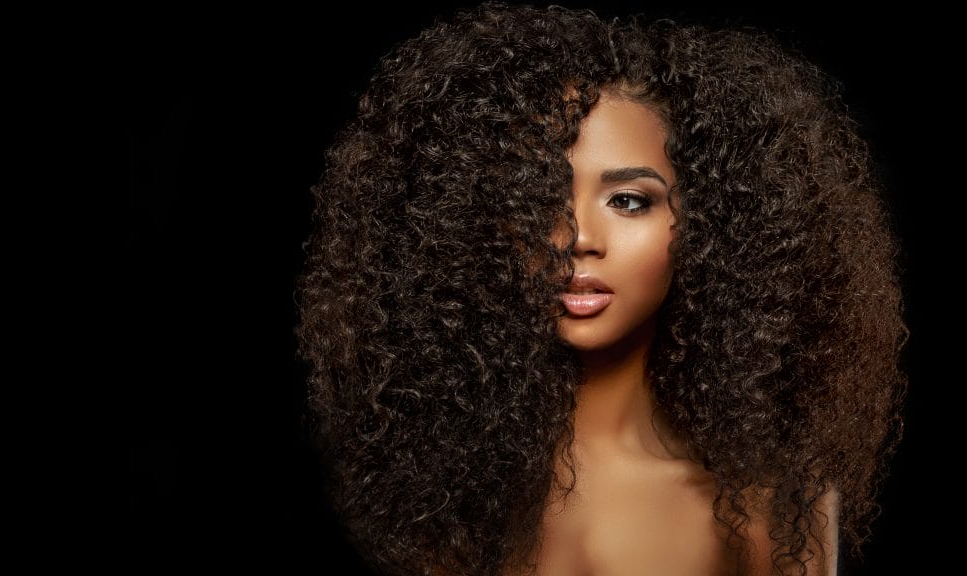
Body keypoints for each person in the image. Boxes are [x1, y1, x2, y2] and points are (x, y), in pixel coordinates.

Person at [294, 3, 908, 575]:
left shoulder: (770, 501)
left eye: (628, 200)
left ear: (712, 224)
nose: (576, 236)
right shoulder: (444, 494)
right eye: (537, 197)